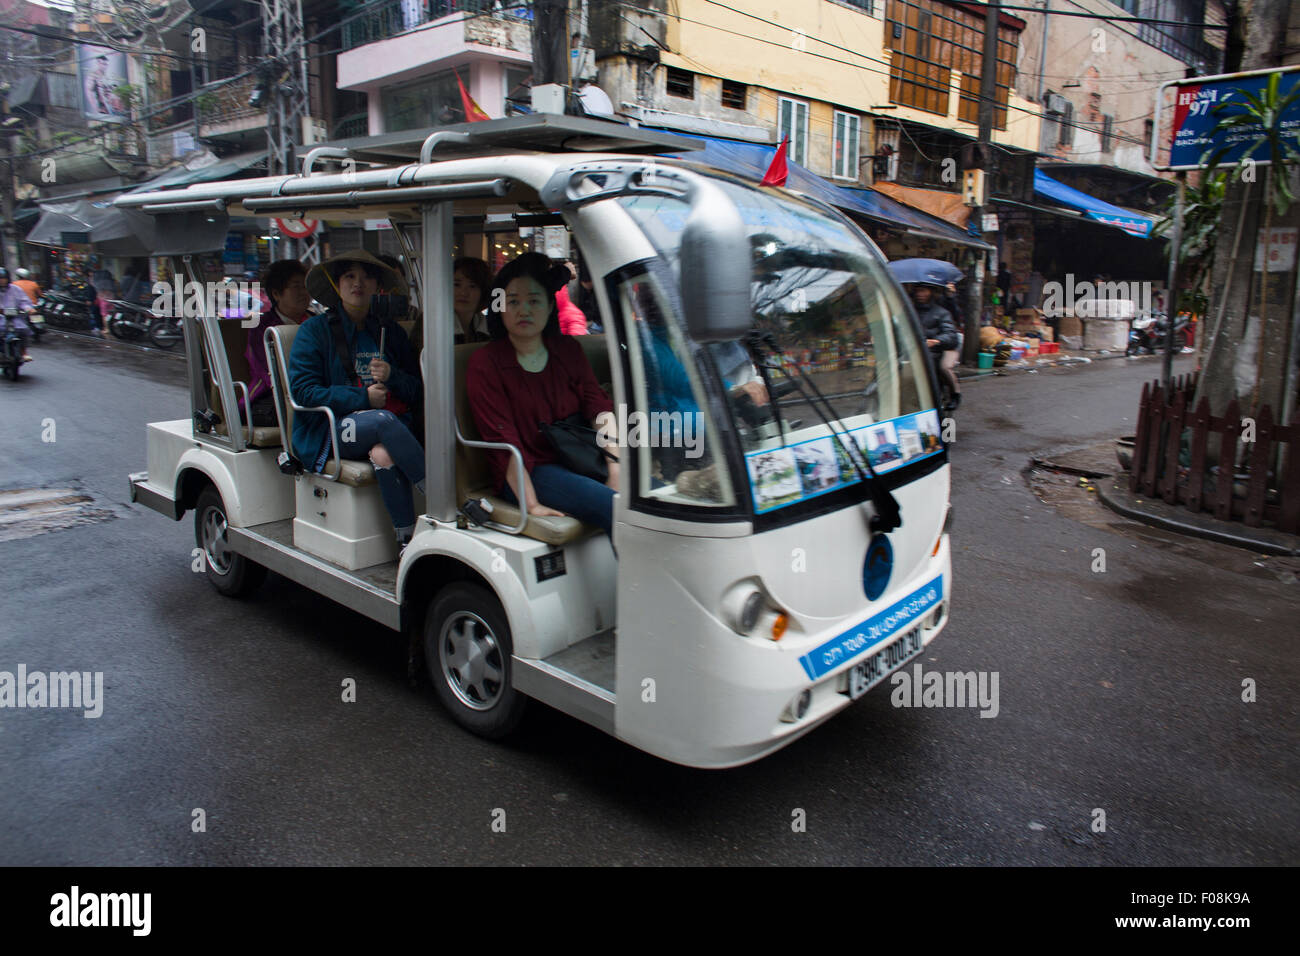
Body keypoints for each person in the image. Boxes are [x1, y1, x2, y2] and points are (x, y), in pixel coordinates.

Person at [465, 253, 620, 536]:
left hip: (578, 457)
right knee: (619, 510)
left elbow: (598, 408)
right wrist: (532, 504)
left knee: (655, 500)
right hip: (529, 470)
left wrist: (616, 467)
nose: (524, 310)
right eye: (513, 301)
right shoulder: (485, 364)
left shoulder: (568, 351)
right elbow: (503, 439)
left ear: (550, 306)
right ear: (500, 307)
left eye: (534, 301)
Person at [288, 251, 426, 548]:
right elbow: (302, 391)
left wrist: (392, 377)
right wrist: (362, 396)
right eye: (349, 276)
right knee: (381, 421)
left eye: (366, 277)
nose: (358, 284)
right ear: (337, 285)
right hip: (329, 429)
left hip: (386, 427)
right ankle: (440, 497)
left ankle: (406, 540)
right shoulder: (313, 331)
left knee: (383, 455)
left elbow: (416, 390)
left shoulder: (390, 332)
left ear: (377, 286)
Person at [242, 259, 310, 427]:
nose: (304, 292)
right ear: (277, 294)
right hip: (272, 396)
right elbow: (267, 373)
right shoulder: (261, 330)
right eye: (296, 287)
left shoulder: (317, 322)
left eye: (305, 286)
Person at [910, 282, 961, 411]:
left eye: (924, 291)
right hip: (920, 348)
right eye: (918, 291)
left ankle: (955, 394)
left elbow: (951, 334)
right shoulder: (909, 311)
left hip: (944, 347)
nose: (920, 294)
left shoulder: (942, 311)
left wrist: (937, 341)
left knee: (944, 367)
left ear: (931, 292)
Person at [0, 268, 36, 362]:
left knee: (24, 330)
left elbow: (24, 301)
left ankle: (24, 352)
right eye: (0, 278)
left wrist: (29, 308)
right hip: (1, 318)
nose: (2, 280)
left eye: (4, 278)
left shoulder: (15, 289)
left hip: (15, 317)